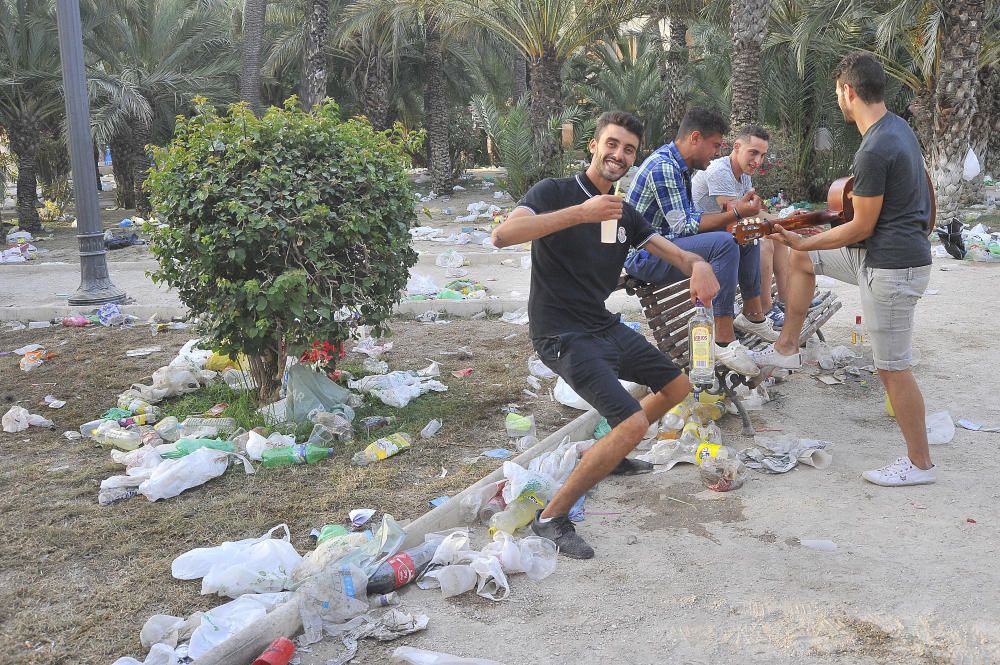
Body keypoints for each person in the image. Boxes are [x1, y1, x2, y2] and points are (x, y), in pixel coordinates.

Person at [491, 111, 720, 558]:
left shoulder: (623, 212)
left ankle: (610, 453)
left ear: (634, 159)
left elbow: (673, 252)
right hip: (561, 333)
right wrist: (580, 213)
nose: (618, 155)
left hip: (599, 324)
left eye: (628, 149)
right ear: (593, 146)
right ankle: (552, 518)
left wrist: (701, 264)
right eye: (611, 144)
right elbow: (503, 235)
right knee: (633, 422)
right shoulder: (554, 193)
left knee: (677, 385)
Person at [750, 53, 935, 487]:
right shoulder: (897, 128)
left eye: (837, 93)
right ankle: (787, 347)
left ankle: (920, 464)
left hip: (892, 268)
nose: (838, 100)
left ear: (848, 92)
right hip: (882, 255)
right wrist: (806, 236)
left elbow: (861, 226)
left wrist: (804, 237)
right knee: (802, 259)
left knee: (892, 367)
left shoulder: (875, 147)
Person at [624, 108, 775, 379]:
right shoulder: (665, 167)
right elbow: (684, 226)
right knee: (726, 243)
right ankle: (724, 342)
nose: (717, 153)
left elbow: (687, 221)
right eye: (715, 145)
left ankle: (752, 315)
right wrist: (737, 212)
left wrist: (740, 215)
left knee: (745, 234)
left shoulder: (679, 166)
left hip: (667, 245)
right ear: (696, 138)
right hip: (644, 254)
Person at [691, 125, 790, 329]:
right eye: (753, 153)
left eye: (762, 155)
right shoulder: (720, 171)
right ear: (736, 147)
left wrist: (784, 222)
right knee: (761, 242)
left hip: (721, 230)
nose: (758, 161)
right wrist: (771, 225)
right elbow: (734, 217)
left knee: (777, 238)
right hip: (701, 232)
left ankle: (785, 301)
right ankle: (764, 308)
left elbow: (751, 212)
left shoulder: (744, 173)